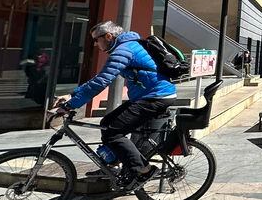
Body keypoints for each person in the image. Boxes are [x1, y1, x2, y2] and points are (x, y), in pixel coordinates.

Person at [57, 21, 177, 189]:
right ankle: (117, 166)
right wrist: (72, 95)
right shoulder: (126, 47)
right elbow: (99, 78)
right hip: (147, 96)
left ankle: (144, 170)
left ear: (108, 36)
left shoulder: (124, 50)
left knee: (114, 131)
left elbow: (102, 81)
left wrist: (70, 105)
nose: (95, 44)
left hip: (157, 96)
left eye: (96, 39)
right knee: (106, 124)